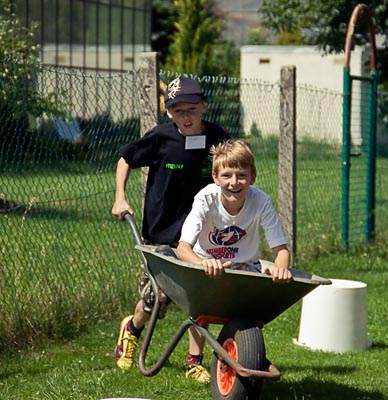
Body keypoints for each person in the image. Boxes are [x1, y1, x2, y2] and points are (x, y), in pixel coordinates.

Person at [111, 76, 230, 383]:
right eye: (178, 111)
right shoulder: (161, 138)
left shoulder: (217, 137)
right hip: (161, 234)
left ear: (203, 106)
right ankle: (133, 328)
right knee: (156, 300)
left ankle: (194, 361)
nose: (186, 117)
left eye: (191, 109)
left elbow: (233, 166)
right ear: (168, 112)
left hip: (202, 234)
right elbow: (126, 157)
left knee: (200, 299)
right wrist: (120, 197)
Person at [176, 139, 293, 283]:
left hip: (246, 267)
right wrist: (202, 263)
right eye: (226, 175)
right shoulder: (205, 199)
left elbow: (280, 249)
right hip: (205, 264)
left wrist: (280, 270)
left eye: (242, 175)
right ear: (215, 177)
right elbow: (183, 248)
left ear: (253, 177)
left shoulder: (260, 201)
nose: (234, 182)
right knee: (160, 298)